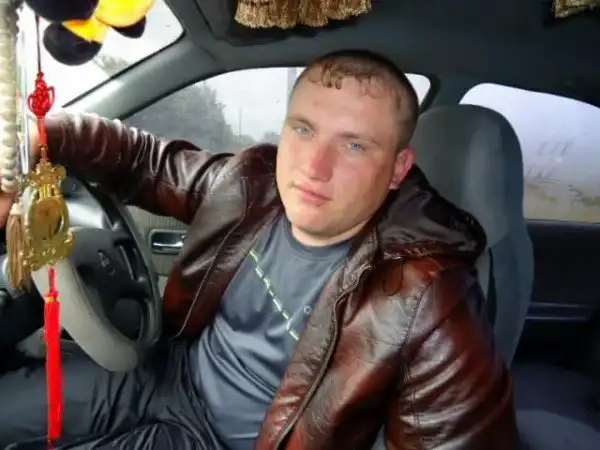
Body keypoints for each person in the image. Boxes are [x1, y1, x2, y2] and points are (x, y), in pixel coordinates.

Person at [0, 50, 519, 449]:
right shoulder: (252, 185)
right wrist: (32, 141)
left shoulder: (429, 302)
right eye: (304, 130)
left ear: (398, 169)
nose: (314, 167)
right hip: (166, 376)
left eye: (355, 145)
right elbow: (144, 162)